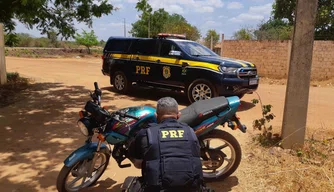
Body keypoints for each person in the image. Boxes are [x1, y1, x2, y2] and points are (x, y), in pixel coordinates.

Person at [127, 97, 205, 192]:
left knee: (130, 183)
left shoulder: (146, 133)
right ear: (178, 115)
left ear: (156, 115)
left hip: (157, 189)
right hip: (191, 189)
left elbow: (137, 163)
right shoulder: (190, 132)